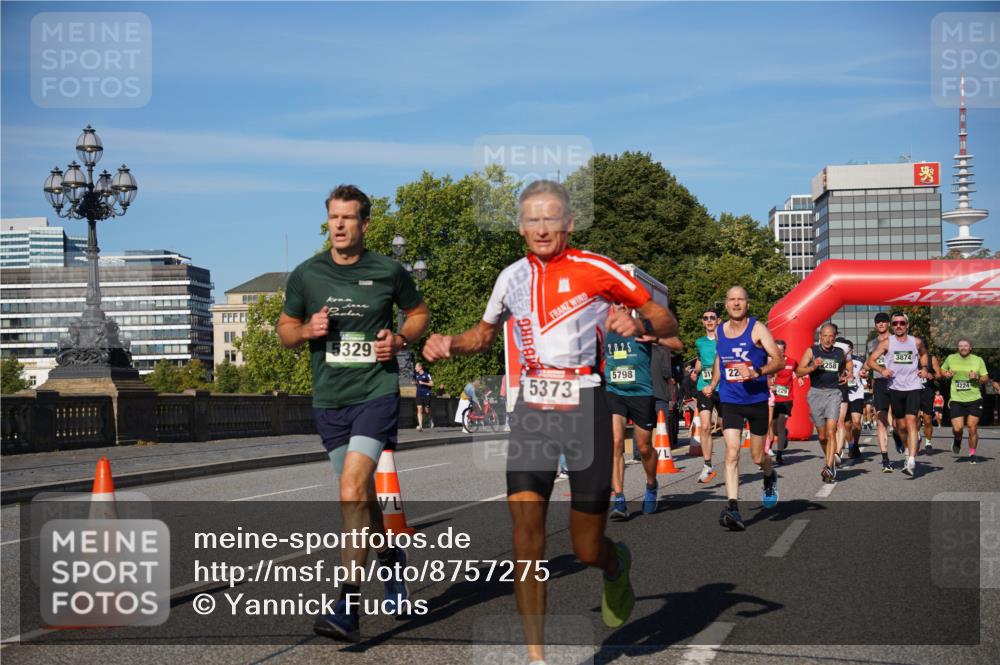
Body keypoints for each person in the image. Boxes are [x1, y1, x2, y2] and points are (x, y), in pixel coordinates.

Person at [421, 180, 678, 661]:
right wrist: (451, 342)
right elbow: (482, 335)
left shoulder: (596, 267)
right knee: (525, 538)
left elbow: (667, 322)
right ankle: (536, 657)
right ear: (520, 226)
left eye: (551, 218)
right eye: (533, 219)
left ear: (569, 224)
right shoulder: (510, 277)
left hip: (586, 404)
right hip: (533, 409)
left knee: (584, 547)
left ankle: (614, 562)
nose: (542, 228)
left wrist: (640, 325)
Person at [278, 184, 430, 641]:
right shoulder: (307, 275)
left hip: (376, 393)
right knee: (361, 500)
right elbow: (285, 331)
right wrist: (306, 329)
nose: (339, 225)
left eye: (348, 218)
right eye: (333, 218)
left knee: (350, 489)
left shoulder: (387, 270)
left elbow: (418, 313)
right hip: (329, 399)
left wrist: (400, 339)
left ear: (365, 223)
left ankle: (347, 604)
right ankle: (389, 557)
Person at [705, 286, 784, 531]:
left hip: (756, 400)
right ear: (726, 304)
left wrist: (756, 372)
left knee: (758, 457)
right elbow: (720, 358)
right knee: (731, 451)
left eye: (740, 300)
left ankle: (769, 475)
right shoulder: (719, 331)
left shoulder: (757, 329)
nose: (736, 304)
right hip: (731, 400)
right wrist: (714, 383)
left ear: (747, 304)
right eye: (732, 300)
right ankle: (733, 507)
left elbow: (778, 360)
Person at [604, 305, 681, 518]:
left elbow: (678, 344)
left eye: (625, 303)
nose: (621, 306)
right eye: (617, 302)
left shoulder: (644, 326)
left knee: (644, 447)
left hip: (641, 394)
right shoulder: (603, 328)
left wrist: (654, 339)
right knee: (616, 443)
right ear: (611, 306)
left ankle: (651, 485)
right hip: (614, 392)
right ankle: (619, 499)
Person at [866, 313, 931, 477]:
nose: (899, 326)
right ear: (892, 326)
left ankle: (911, 461)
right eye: (895, 323)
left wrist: (924, 368)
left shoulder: (915, 341)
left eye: (902, 323)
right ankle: (908, 446)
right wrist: (882, 370)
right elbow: (871, 360)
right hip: (895, 387)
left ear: (907, 325)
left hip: (913, 386)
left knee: (911, 421)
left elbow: (924, 353)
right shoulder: (887, 343)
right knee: (900, 426)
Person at [796, 323, 849, 483]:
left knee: (832, 431)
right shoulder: (812, 351)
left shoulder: (840, 352)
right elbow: (798, 371)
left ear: (834, 337)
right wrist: (813, 366)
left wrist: (844, 375)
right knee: (822, 435)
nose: (827, 339)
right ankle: (829, 458)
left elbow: (843, 367)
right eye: (824, 336)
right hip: (815, 393)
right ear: (820, 337)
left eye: (830, 336)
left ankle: (829, 465)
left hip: (833, 393)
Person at [940, 339, 989, 464]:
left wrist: (977, 377)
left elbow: (985, 378)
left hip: (974, 399)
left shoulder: (978, 360)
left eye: (966, 346)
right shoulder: (951, 358)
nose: (963, 348)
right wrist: (947, 374)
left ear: (970, 347)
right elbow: (942, 370)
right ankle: (957, 439)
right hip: (957, 399)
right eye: (961, 346)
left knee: (972, 427)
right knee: (958, 429)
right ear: (957, 347)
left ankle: (972, 453)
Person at [692, 309, 721, 483]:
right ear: (703, 322)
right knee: (704, 426)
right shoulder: (699, 342)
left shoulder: (724, 340)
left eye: (712, 318)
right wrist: (696, 372)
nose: (709, 320)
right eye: (706, 318)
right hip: (704, 387)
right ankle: (707, 465)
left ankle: (733, 460)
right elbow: (701, 360)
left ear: (718, 320)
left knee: (726, 428)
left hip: (723, 387)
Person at [865, 313, 895, 473]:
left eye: (884, 321)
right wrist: (863, 370)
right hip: (880, 382)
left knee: (898, 421)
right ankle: (885, 459)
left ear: (888, 323)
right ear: (875, 325)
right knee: (881, 419)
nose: (881, 324)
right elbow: (869, 361)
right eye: (878, 322)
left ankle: (898, 436)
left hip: (898, 381)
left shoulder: (898, 340)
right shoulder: (871, 343)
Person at [769, 339, 799, 465]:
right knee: (774, 429)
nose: (779, 352)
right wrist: (770, 386)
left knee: (780, 426)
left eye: (782, 350)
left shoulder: (792, 362)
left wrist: (802, 378)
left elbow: (799, 373)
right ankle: (784, 434)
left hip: (786, 399)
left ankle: (779, 455)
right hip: (772, 399)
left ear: (785, 350)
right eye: (777, 350)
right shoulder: (769, 362)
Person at [842, 340, 866, 460]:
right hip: (844, 395)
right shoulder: (838, 359)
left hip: (857, 394)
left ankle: (855, 443)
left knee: (856, 423)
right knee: (847, 425)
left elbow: (866, 371)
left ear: (852, 349)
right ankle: (851, 445)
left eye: (849, 349)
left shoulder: (860, 360)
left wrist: (865, 373)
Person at [918, 353, 942, 451]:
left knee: (927, 419)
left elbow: (939, 375)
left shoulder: (931, 358)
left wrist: (932, 375)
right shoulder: (910, 355)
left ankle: (928, 442)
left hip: (927, 391)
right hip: (912, 390)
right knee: (913, 417)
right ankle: (916, 435)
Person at [414, 362, 434, 431]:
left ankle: (430, 418)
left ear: (420, 367)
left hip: (426, 394)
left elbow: (432, 384)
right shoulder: (416, 375)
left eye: (416, 367)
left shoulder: (427, 374)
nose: (415, 368)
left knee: (427, 410)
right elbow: (417, 383)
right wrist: (415, 383)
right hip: (419, 394)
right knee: (419, 409)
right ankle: (420, 426)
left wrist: (423, 383)